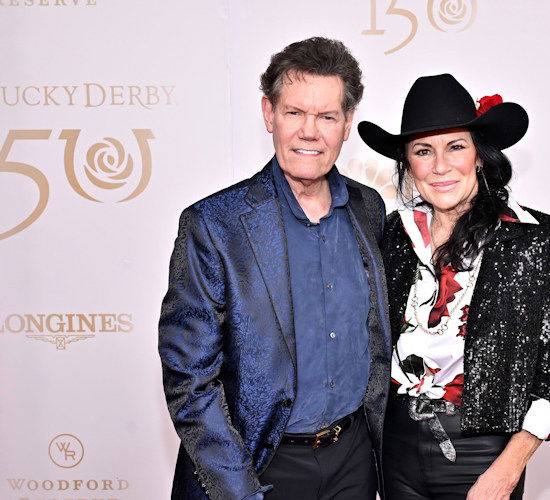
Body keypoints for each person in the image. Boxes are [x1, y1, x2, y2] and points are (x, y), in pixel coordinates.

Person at [158, 37, 390, 500]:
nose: (310, 131)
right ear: (269, 114)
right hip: (260, 465)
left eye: (327, 116)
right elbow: (190, 378)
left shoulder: (369, 209)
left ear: (347, 125)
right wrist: (238, 490)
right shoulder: (214, 224)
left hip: (355, 461)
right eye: (294, 113)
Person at [358, 73, 550, 499]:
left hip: (484, 454)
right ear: (407, 163)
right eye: (424, 151)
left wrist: (507, 471)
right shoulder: (388, 236)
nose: (440, 166)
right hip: (395, 450)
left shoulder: (542, 239)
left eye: (455, 146)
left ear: (479, 155)